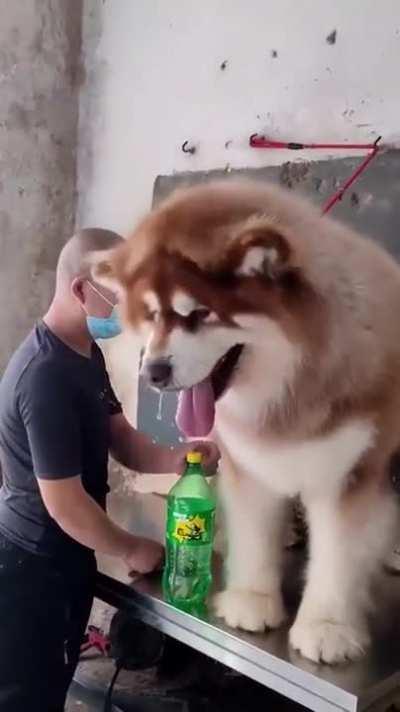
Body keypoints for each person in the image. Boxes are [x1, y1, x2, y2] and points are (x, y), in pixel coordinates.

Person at [0, 228, 219, 712]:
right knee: (26, 696)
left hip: (65, 558)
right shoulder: (45, 376)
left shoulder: (84, 354)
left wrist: (185, 457)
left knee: (52, 685)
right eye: (122, 298)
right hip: (32, 566)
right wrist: (130, 547)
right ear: (82, 290)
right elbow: (64, 503)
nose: (129, 314)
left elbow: (121, 438)